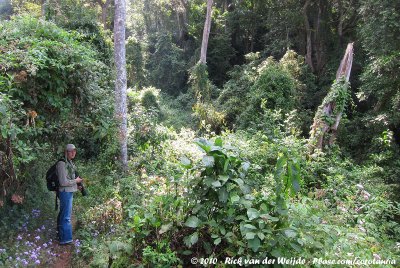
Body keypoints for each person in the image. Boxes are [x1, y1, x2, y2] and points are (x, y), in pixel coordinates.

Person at [56, 144, 82, 245]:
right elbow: (63, 182)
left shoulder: (70, 163)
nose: (73, 153)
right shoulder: (62, 164)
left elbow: (70, 179)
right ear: (66, 152)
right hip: (65, 192)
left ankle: (63, 237)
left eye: (74, 151)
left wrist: (77, 185)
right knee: (65, 217)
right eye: (70, 151)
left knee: (65, 215)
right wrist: (76, 181)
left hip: (69, 191)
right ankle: (65, 240)